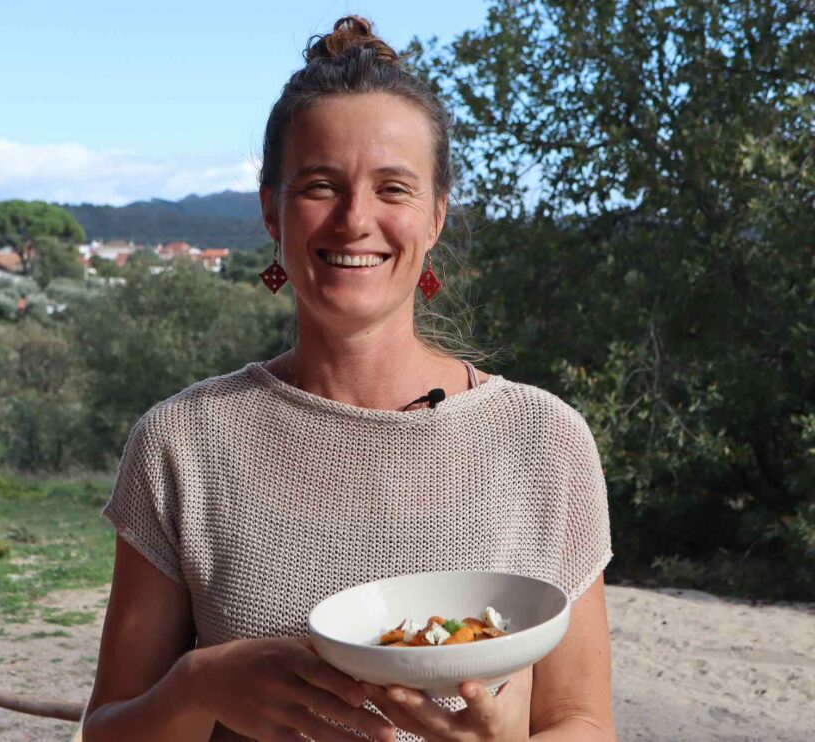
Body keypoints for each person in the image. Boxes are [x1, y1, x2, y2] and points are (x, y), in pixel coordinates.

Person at [83, 15, 616, 742]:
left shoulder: (545, 444)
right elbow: (109, 731)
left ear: (435, 216)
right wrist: (198, 686)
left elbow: (582, 721)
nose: (355, 219)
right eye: (320, 185)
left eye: (393, 189)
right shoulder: (182, 444)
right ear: (272, 210)